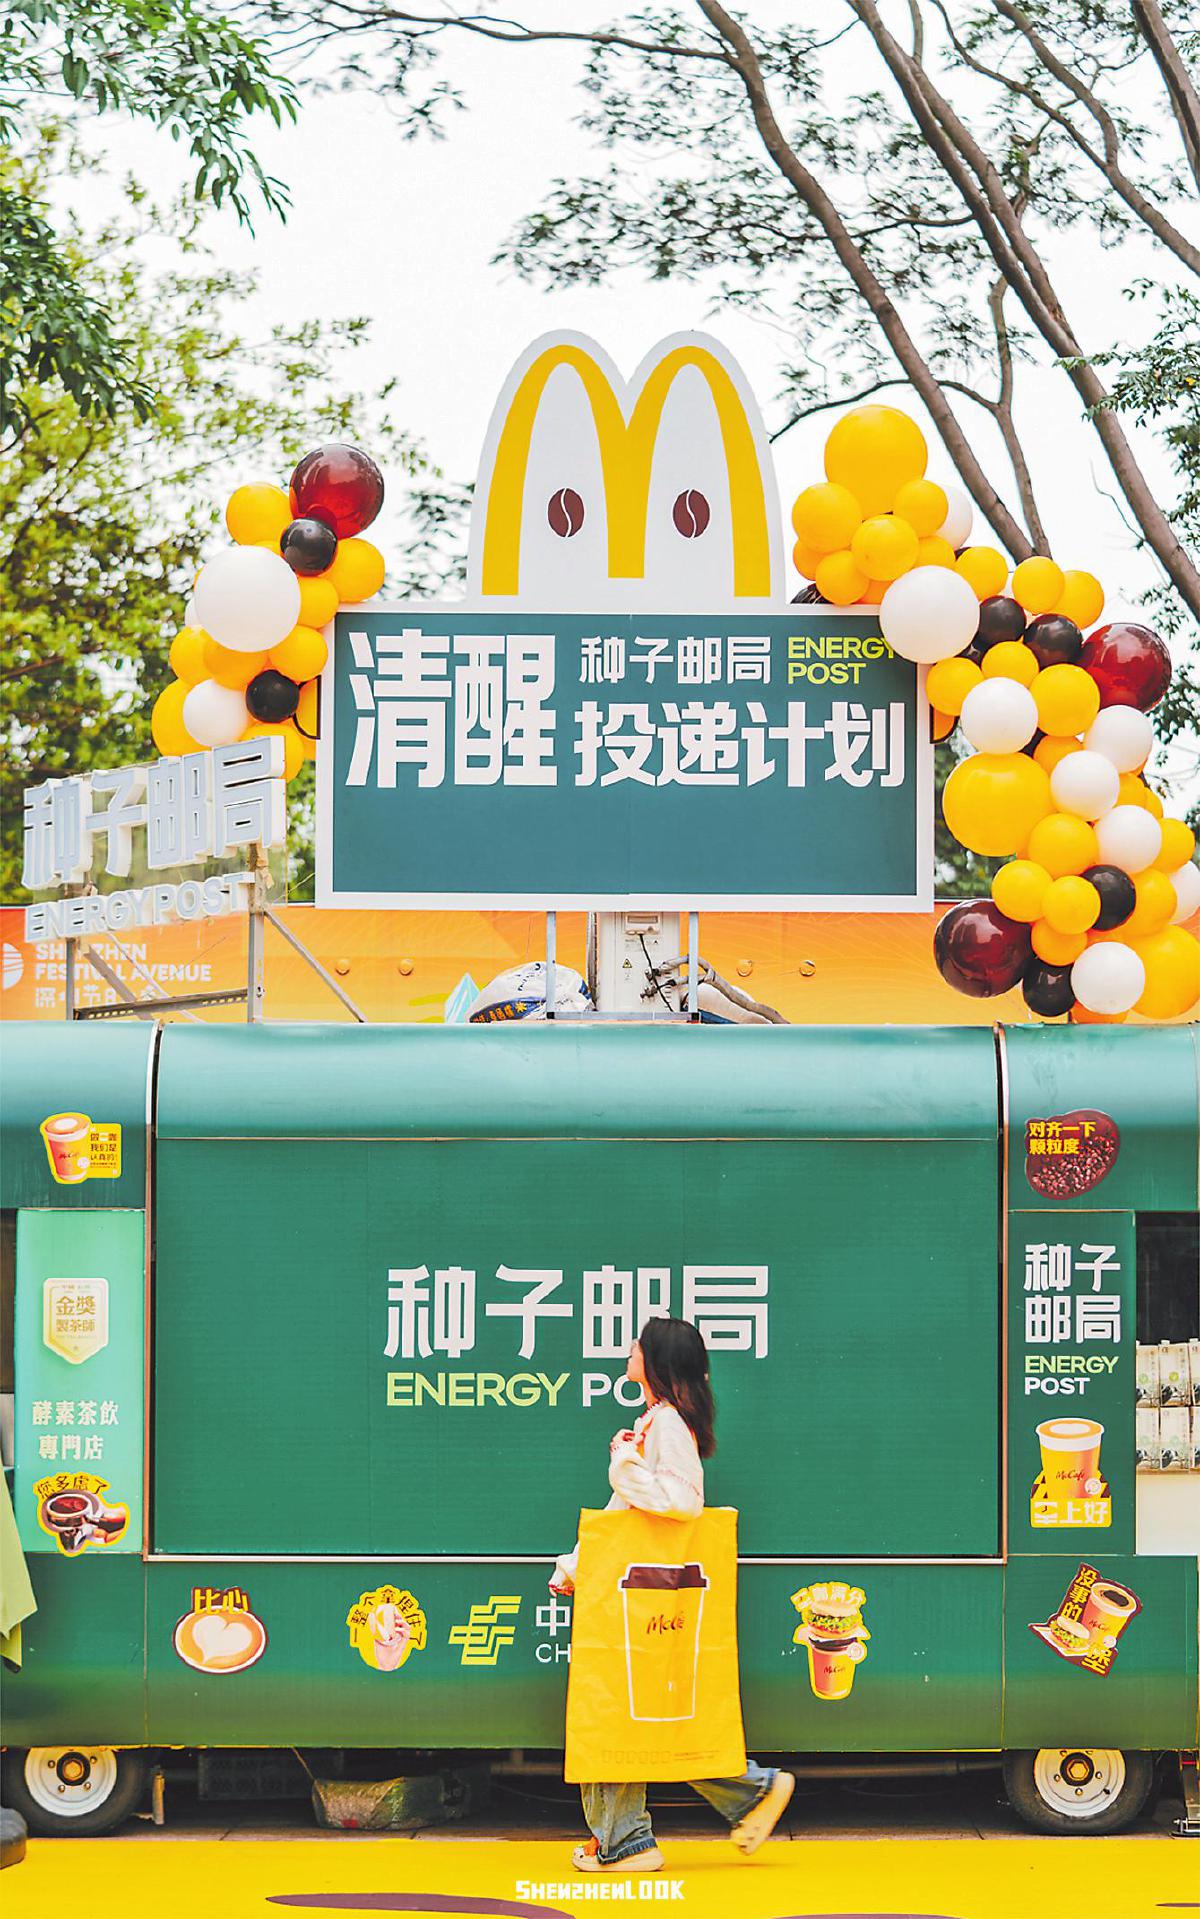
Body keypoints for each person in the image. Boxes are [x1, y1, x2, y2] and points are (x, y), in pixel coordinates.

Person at [551, 1316, 795, 1875]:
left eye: (639, 1344)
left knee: (613, 1715)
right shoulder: (660, 1420)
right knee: (638, 1717)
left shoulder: (664, 1423)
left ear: (656, 1361)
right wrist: (578, 1566)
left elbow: (681, 1502)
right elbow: (627, 1518)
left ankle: (627, 1840)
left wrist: (623, 1464)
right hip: (639, 1594)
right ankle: (738, 1796)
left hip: (638, 1600)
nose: (630, 1349)